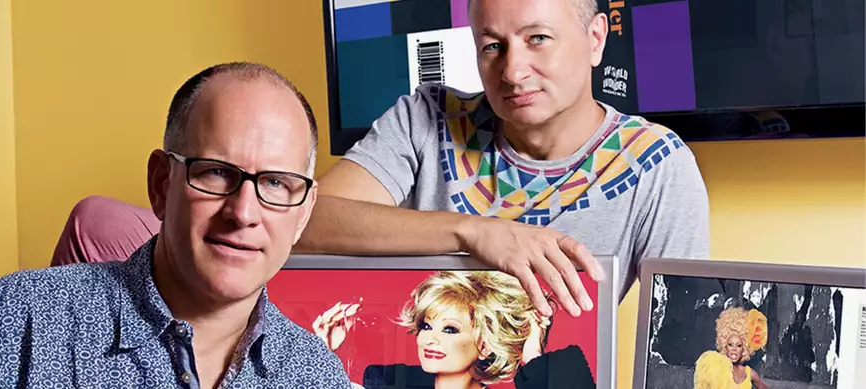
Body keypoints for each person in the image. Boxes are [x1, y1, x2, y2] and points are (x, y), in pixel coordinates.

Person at [293, 0, 710, 318]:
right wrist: (472, 233)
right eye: (492, 46)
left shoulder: (657, 165)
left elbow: (681, 343)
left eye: (537, 39)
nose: (512, 71)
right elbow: (298, 222)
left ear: (595, 39)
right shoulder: (426, 117)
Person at [0, 62, 351, 388]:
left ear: (302, 213)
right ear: (161, 184)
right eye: (216, 172)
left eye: (275, 183)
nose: (244, 212)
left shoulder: (318, 377)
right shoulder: (13, 323)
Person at [312, 271, 595, 389]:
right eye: (426, 325)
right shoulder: (383, 383)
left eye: (450, 329)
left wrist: (532, 355)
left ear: (485, 343)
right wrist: (318, 355)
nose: (429, 339)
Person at [694, 307, 769, 389]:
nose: (734, 349)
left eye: (739, 345)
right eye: (730, 344)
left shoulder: (749, 373)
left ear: (744, 349)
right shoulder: (717, 368)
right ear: (725, 346)